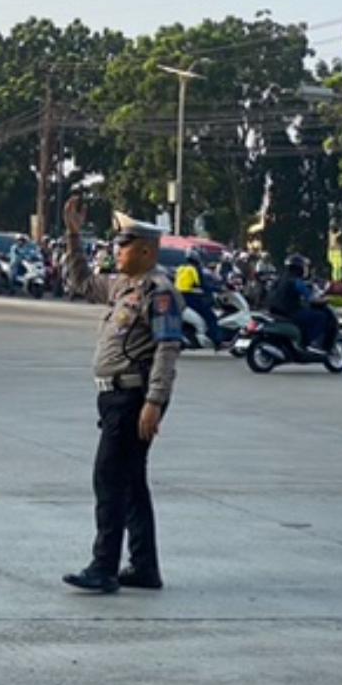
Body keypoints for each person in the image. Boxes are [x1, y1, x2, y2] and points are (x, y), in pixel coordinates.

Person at [61, 200, 183, 594]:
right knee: (130, 481)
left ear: (146, 250)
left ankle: (104, 566)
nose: (118, 251)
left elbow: (167, 348)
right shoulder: (123, 286)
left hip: (134, 397)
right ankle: (144, 567)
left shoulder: (159, 292)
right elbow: (80, 282)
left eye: (124, 245)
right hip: (115, 397)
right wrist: (73, 235)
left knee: (109, 478)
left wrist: (154, 401)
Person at [268, 254, 336, 351]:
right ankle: (308, 342)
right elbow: (311, 299)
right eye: (304, 267)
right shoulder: (296, 281)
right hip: (291, 312)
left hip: (276, 311)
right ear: (299, 268)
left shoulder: (281, 278)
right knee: (321, 317)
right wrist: (325, 300)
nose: (306, 269)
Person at [176, 250, 222, 348]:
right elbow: (202, 285)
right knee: (211, 317)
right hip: (190, 298)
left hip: (179, 298)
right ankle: (216, 340)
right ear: (196, 259)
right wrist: (218, 289)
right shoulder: (194, 269)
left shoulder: (181, 268)